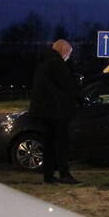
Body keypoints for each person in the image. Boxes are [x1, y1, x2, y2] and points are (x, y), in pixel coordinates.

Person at [28, 38, 81, 185]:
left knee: (48, 145)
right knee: (61, 144)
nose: (68, 57)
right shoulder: (57, 64)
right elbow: (68, 85)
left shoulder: (43, 64)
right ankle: (64, 174)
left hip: (43, 112)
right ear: (63, 51)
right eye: (68, 54)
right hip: (56, 112)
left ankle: (49, 175)